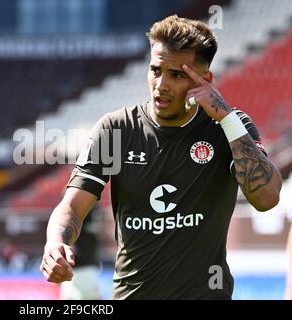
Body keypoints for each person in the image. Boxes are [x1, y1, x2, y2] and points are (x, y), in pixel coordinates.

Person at [40, 15, 283, 299]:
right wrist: (55, 242)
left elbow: (267, 199)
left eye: (177, 75)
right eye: (156, 71)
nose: (161, 84)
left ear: (204, 81)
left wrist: (225, 118)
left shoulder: (229, 128)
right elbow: (71, 207)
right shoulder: (116, 129)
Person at [59, 204, 103, 300]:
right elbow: (64, 222)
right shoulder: (77, 200)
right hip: (79, 266)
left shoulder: (94, 205)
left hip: (88, 263)